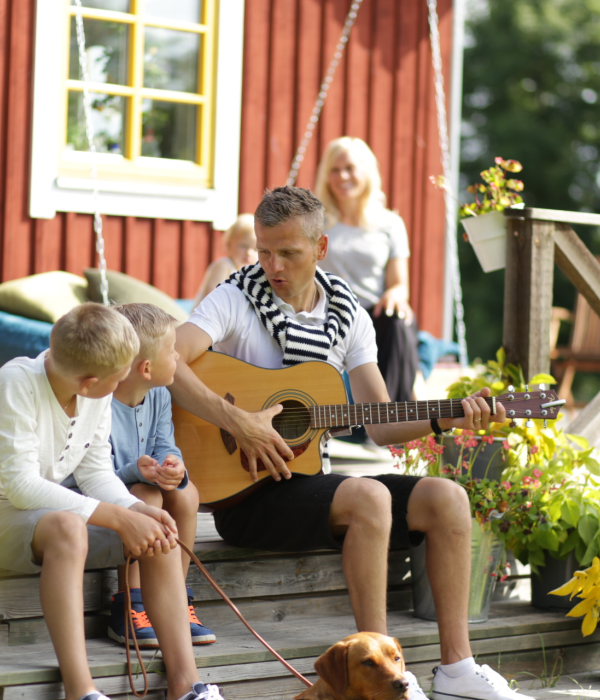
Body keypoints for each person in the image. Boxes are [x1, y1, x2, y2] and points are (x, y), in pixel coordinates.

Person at [171, 186, 528, 700]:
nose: (272, 264)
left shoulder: (348, 314)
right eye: (264, 249)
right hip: (245, 495)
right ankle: (379, 675)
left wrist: (451, 418)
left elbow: (380, 423)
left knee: (447, 497)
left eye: (288, 252)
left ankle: (457, 668)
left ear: (320, 248)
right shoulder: (233, 298)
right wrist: (239, 421)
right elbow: (168, 362)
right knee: (370, 495)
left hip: (309, 486)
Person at [0, 303, 223, 700]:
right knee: (68, 526)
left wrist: (137, 512)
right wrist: (119, 518)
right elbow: (20, 486)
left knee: (157, 529)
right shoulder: (16, 382)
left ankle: (187, 686)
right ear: (88, 383)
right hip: (8, 516)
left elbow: (94, 472)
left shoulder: (93, 391)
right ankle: (81, 691)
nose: (121, 387)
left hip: (50, 513)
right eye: (117, 379)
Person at [108, 303, 216, 648]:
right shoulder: (100, 403)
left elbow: (164, 444)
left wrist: (172, 465)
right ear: (146, 367)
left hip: (144, 481)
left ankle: (173, 600)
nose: (178, 358)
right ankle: (132, 602)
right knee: (147, 496)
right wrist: (136, 472)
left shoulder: (158, 393)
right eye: (172, 352)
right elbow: (92, 471)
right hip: (105, 494)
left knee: (186, 493)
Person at [315, 136, 421, 404]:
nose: (342, 176)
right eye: (335, 170)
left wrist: (396, 295)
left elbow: (399, 284)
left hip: (373, 315)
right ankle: (415, 406)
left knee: (398, 322)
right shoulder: (316, 220)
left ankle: (388, 424)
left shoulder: (390, 223)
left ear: (367, 172)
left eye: (350, 168)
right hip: (328, 314)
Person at [193, 213, 258, 305]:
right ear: (228, 245)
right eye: (244, 246)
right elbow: (210, 298)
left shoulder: (251, 273)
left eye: (255, 249)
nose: (249, 253)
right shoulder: (224, 266)